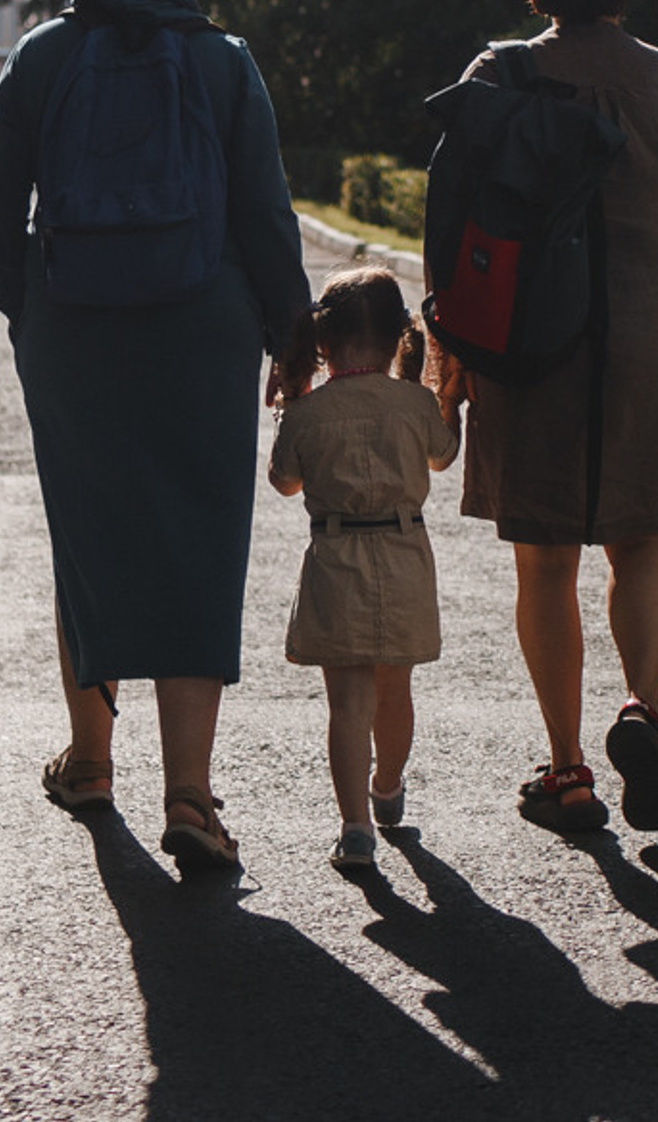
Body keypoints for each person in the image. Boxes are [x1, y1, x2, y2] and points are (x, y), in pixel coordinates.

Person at [0, 0, 309, 878]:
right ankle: (192, 795)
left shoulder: (41, 55)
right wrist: (291, 335)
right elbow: (265, 212)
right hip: (203, 322)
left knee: (90, 531)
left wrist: (30, 309)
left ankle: (89, 758)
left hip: (71, 325)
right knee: (200, 538)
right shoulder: (222, 62)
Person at [456, 0, 658, 837]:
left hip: (529, 345)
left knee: (545, 563)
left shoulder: (496, 76)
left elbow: (458, 227)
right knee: (641, 539)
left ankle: (567, 767)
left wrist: (455, 352)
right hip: (641, 342)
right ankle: (641, 713)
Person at [268, 267, 459, 872]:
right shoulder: (414, 403)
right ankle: (388, 786)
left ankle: (354, 828)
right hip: (403, 558)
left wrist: (290, 407)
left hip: (335, 561)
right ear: (399, 338)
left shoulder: (309, 413)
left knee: (346, 707)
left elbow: (284, 481)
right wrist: (445, 402)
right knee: (394, 693)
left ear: (323, 343)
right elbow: (443, 455)